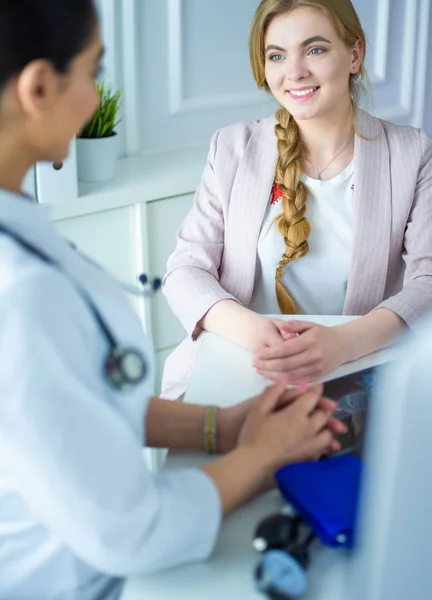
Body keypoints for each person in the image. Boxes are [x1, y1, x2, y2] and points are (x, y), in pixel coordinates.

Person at [0, 2, 347, 599]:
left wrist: (225, 427)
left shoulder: (21, 236)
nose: (93, 96)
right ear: (38, 88)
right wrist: (263, 454)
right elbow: (129, 531)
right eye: (93, 72)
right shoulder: (20, 293)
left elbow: (85, 400)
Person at [161, 0, 432, 400]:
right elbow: (185, 270)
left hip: (359, 376)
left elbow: (428, 281)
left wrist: (344, 343)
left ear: (355, 55)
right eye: (277, 55)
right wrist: (255, 333)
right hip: (241, 368)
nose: (295, 72)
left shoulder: (413, 153)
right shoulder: (232, 148)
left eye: (315, 49)